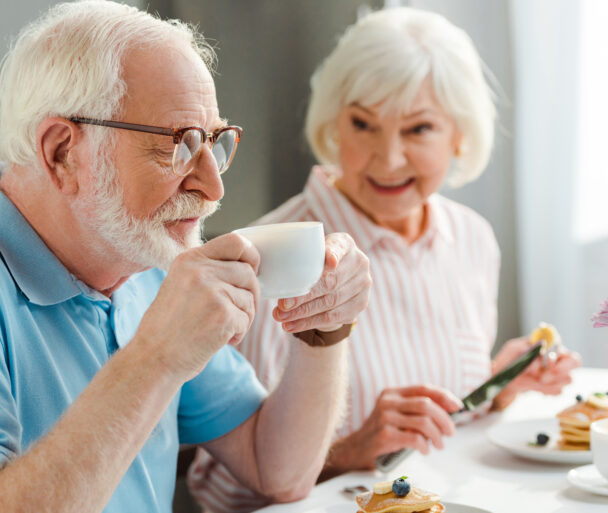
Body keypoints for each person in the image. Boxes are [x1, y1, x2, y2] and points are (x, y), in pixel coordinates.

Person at [0, 2, 373, 512]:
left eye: (213, 141)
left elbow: (276, 469)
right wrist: (157, 357)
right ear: (62, 152)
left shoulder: (138, 258)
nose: (213, 186)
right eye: (178, 144)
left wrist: (322, 331)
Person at [188, 7, 581, 512]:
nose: (388, 157)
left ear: (460, 134)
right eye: (363, 124)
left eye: (418, 130)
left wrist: (497, 387)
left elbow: (439, 433)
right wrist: (349, 451)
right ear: (333, 123)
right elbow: (216, 490)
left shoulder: (473, 240)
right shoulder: (270, 256)